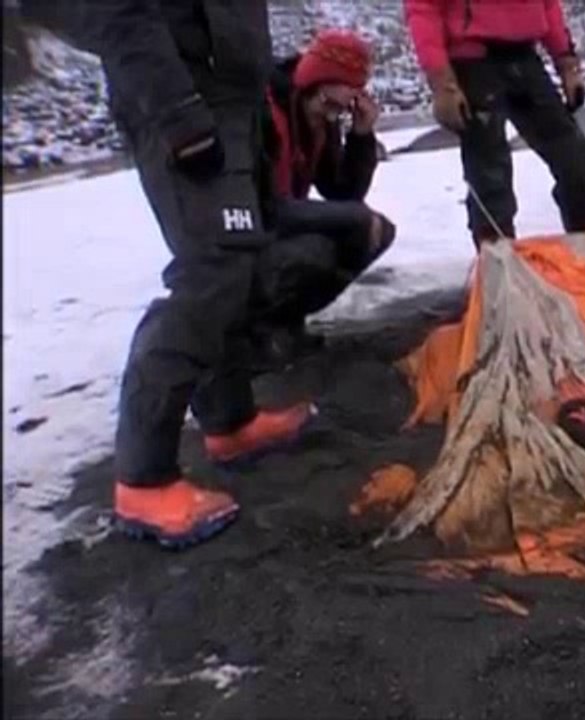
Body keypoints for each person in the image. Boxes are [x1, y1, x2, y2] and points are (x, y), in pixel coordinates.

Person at [80, 1, 311, 548]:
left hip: (232, 96)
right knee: (211, 272)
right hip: (180, 92)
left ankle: (230, 421)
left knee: (243, 262)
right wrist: (175, 106)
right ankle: (143, 477)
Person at [403, 0, 585, 247]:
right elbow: (424, 10)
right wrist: (442, 82)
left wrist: (566, 63)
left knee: (577, 159)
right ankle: (497, 260)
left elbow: (548, 5)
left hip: (524, 56)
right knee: (490, 172)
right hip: (472, 58)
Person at [252, 29, 398, 364]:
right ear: (324, 82)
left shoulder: (319, 120)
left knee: (373, 233)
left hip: (281, 222)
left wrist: (361, 137)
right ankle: (255, 332)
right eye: (352, 86)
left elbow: (343, 192)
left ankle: (287, 324)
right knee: (321, 248)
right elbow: (263, 205)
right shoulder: (264, 113)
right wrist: (356, 218)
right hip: (251, 234)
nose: (357, 96)